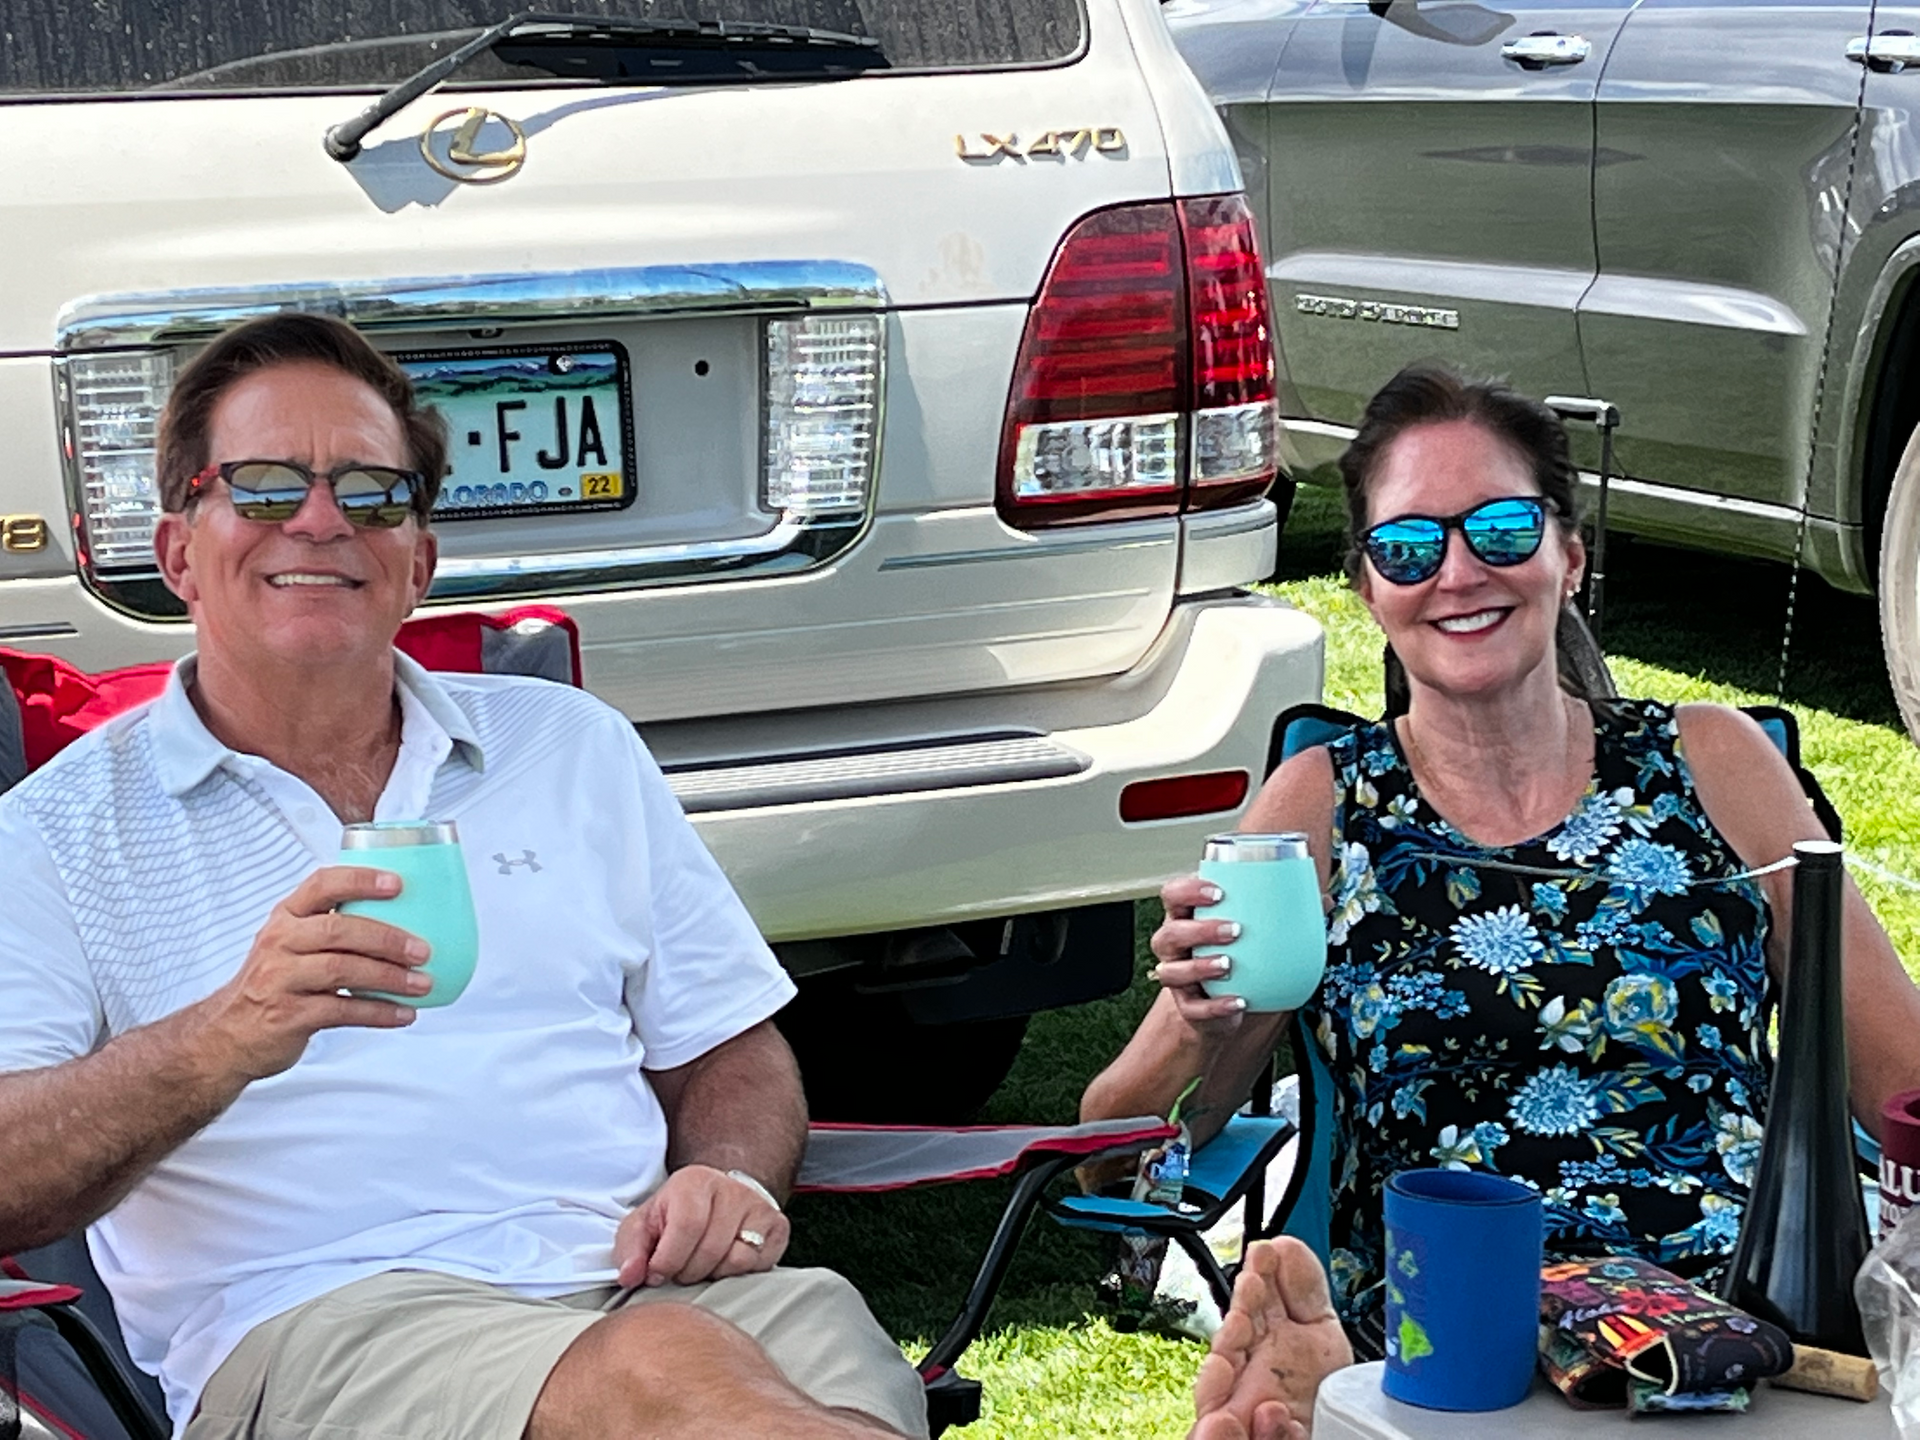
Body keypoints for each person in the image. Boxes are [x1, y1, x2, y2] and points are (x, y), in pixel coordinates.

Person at [0, 314, 927, 1440]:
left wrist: (730, 1178)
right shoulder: (60, 832)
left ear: (420, 565)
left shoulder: (570, 748)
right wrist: (226, 1035)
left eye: (373, 493)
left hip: (665, 1287)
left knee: (765, 1371)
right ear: (178, 552)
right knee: (669, 1372)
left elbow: (729, 1048)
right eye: (264, 486)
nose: (322, 520)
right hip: (326, 1330)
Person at [1083, 363, 1920, 1437]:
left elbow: (1900, 1084)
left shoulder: (1715, 762)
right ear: (1367, 588)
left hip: (1736, 1327)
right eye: (1408, 547)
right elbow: (1117, 1153)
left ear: (1570, 555)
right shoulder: (1322, 805)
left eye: (1503, 529)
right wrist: (1201, 1027)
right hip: (1450, 1346)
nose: (1459, 572)